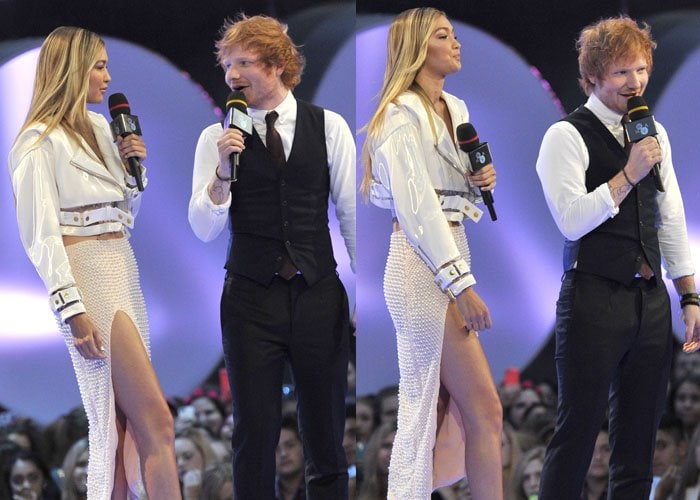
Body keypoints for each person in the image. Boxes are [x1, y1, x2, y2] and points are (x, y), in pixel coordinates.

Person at [7, 27, 179, 499]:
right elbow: (40, 237)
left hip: (122, 267)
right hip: (86, 275)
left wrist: (133, 174)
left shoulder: (104, 129)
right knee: (155, 422)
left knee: (123, 428)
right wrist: (71, 307)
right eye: (98, 66)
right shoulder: (37, 142)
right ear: (71, 71)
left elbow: (124, 218)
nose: (107, 77)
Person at [188, 13, 355, 499]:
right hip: (249, 300)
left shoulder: (329, 127)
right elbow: (203, 227)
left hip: (318, 293)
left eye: (244, 63)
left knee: (325, 432)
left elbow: (350, 214)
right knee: (253, 433)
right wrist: (222, 171)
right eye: (226, 65)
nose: (232, 76)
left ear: (280, 64)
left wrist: (366, 296)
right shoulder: (214, 138)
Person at [535, 16, 700, 498]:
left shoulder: (652, 132)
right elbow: (570, 220)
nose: (637, 82)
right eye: (623, 72)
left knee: (638, 443)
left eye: (643, 69)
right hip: (592, 297)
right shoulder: (565, 136)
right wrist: (627, 173)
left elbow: (669, 215)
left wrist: (689, 297)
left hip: (649, 301)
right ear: (592, 77)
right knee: (578, 433)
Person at [360, 7, 501, 499]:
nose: (457, 44)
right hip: (421, 265)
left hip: (451, 250)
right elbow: (416, 208)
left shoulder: (455, 109)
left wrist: (478, 181)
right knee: (477, 410)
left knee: (443, 410)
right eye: (444, 36)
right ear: (419, 48)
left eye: (455, 34)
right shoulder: (398, 115)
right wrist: (461, 285)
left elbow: (439, 193)